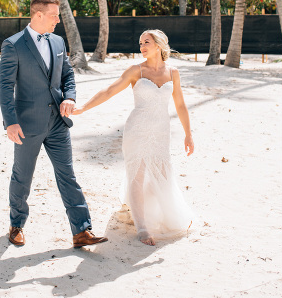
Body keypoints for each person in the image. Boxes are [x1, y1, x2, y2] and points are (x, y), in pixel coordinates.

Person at [0, 0, 108, 249]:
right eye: (53, 15)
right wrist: (10, 122)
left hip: (58, 123)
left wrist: (69, 97)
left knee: (67, 175)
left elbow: (68, 75)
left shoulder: (58, 42)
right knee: (22, 177)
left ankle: (82, 231)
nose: (58, 20)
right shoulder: (13, 44)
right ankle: (16, 225)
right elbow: (4, 86)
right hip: (27, 125)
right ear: (38, 15)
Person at [72, 29, 194, 245]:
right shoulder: (135, 71)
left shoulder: (173, 72)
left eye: (146, 42)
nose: (142, 46)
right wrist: (83, 107)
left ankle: (160, 215)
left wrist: (188, 134)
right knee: (136, 176)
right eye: (140, 43)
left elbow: (181, 104)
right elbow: (109, 91)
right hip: (137, 130)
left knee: (163, 175)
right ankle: (143, 227)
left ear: (159, 44)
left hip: (161, 132)